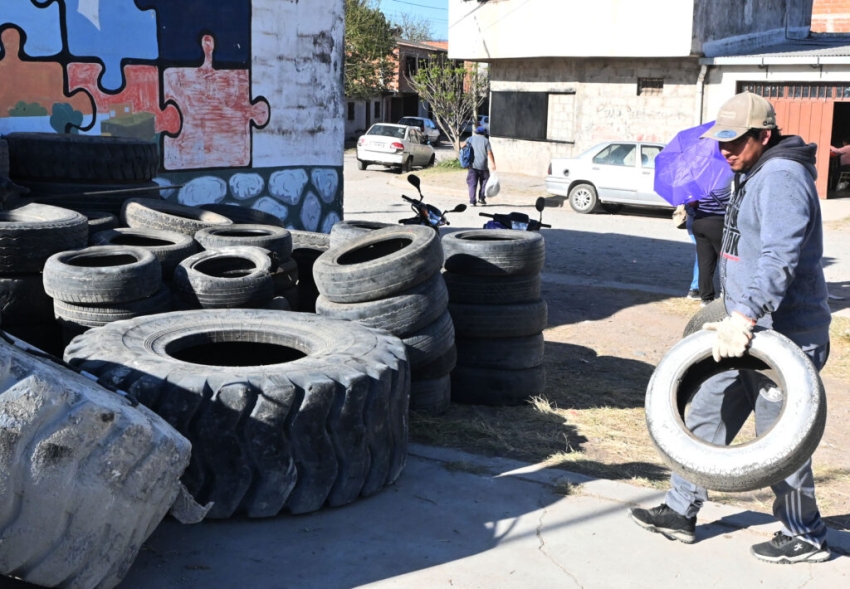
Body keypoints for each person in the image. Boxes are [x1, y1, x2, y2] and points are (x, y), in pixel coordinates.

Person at [629, 91, 833, 564]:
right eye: (721, 141)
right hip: (740, 330)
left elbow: (778, 258)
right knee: (707, 414)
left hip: (783, 337)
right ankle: (680, 510)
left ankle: (805, 534)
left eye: (736, 141)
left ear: (765, 135)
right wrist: (729, 314)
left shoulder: (781, 177)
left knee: (780, 442)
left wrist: (744, 316)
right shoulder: (750, 170)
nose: (726, 151)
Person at [690, 184, 731, 306]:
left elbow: (692, 203)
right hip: (718, 221)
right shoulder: (725, 177)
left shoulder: (699, 180)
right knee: (726, 260)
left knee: (705, 262)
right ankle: (726, 292)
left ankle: (706, 297)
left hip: (700, 220)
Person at [463, 126, 496, 206]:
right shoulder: (486, 141)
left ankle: (472, 201)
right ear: (484, 133)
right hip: (483, 166)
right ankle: (481, 198)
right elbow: (489, 153)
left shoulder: (469, 139)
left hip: (472, 166)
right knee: (485, 182)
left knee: (472, 184)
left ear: (476, 132)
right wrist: (493, 164)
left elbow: (462, 146)